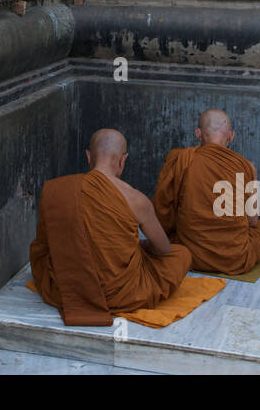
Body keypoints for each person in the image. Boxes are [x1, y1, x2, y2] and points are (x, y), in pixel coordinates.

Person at [29, 129, 194, 325]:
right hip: (124, 294)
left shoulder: (58, 190)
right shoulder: (136, 199)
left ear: (88, 156)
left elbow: (44, 246)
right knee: (181, 254)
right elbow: (164, 249)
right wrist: (141, 246)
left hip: (69, 289)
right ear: (123, 160)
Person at [153, 109, 260, 275]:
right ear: (231, 135)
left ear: (198, 134)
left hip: (190, 252)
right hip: (234, 258)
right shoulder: (246, 166)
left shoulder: (180, 159)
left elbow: (163, 214)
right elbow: (252, 221)